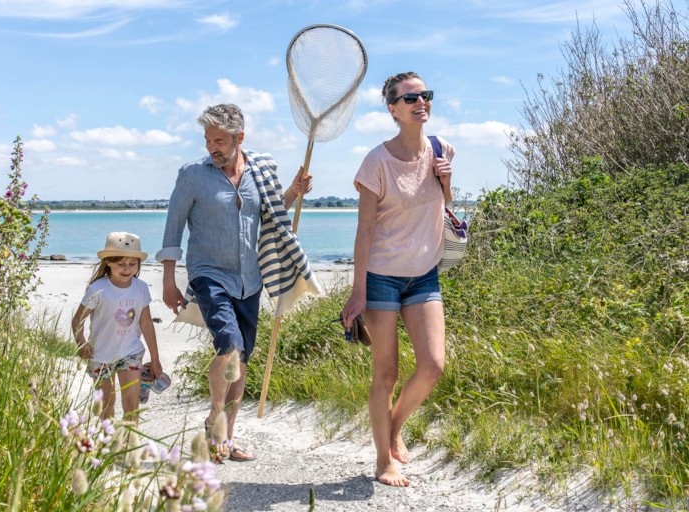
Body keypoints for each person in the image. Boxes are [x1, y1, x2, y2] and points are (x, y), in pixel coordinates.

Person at [156, 103, 315, 462]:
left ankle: (227, 436)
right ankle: (215, 421)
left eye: (219, 141)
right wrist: (168, 279)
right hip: (209, 274)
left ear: (239, 138)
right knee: (229, 345)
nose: (211, 147)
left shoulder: (259, 171)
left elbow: (272, 214)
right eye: (207, 140)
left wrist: (293, 190)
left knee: (241, 360)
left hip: (250, 279)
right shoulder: (192, 175)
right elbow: (173, 228)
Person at [341, 72, 454, 487]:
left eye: (425, 95)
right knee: (385, 373)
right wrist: (358, 292)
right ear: (392, 109)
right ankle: (382, 461)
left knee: (433, 365)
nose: (421, 102)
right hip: (382, 277)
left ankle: (394, 428)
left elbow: (443, 204)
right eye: (410, 98)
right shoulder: (376, 162)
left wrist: (447, 180)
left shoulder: (441, 149)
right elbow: (365, 229)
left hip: (424, 275)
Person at [72, 231, 165, 423]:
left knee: (131, 404)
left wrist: (155, 359)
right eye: (121, 263)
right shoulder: (98, 289)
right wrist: (81, 342)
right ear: (108, 262)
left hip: (130, 352)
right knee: (107, 404)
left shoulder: (141, 288)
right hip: (100, 355)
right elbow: (77, 320)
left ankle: (129, 439)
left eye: (132, 264)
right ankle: (108, 438)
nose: (127, 269)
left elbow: (146, 323)